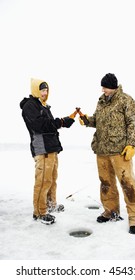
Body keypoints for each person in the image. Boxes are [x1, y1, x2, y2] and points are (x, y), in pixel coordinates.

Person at [79, 73, 135, 234]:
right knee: (106, 183)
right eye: (102, 87)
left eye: (106, 87)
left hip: (119, 151)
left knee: (128, 185)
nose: (103, 90)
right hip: (102, 150)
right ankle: (111, 211)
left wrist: (132, 144)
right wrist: (87, 120)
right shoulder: (102, 101)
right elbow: (98, 120)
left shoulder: (125, 100)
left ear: (114, 87)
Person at [20, 78, 75, 225]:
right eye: (42, 90)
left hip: (51, 148)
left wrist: (62, 121)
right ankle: (39, 212)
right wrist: (61, 122)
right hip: (42, 149)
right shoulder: (30, 106)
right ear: (35, 90)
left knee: (51, 179)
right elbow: (40, 125)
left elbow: (50, 125)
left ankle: (51, 204)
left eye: (46, 90)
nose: (45, 93)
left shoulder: (43, 106)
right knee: (43, 180)